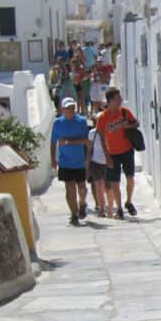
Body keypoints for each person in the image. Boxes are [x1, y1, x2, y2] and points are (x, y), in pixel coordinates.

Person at [96, 88, 140, 219]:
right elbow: (101, 138)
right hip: (112, 153)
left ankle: (129, 201)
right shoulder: (103, 117)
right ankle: (119, 208)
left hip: (127, 150)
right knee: (115, 182)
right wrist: (106, 156)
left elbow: (136, 123)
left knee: (130, 178)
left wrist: (128, 126)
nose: (120, 100)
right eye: (117, 98)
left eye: (120, 98)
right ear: (110, 101)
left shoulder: (125, 113)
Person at [50, 97, 90, 226]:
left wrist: (67, 142)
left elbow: (86, 141)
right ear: (62, 109)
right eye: (68, 108)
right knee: (69, 188)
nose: (71, 110)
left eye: (72, 107)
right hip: (65, 162)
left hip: (79, 161)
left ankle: (82, 203)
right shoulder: (57, 123)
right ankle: (73, 214)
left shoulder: (81, 121)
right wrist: (53, 159)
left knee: (82, 188)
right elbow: (53, 142)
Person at [86, 123, 108, 217]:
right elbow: (89, 149)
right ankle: (101, 208)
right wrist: (87, 166)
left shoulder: (109, 131)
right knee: (98, 186)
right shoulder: (92, 133)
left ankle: (109, 208)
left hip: (108, 161)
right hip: (96, 162)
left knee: (108, 187)